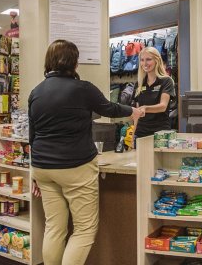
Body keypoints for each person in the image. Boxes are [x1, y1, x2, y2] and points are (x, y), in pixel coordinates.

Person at [28, 39, 143, 265]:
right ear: (74, 62)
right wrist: (133, 111)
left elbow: (32, 135)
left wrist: (34, 171)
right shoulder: (83, 89)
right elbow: (109, 108)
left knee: (54, 227)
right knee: (84, 230)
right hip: (75, 167)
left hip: (42, 168)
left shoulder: (36, 92)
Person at [133, 46, 176, 139]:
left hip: (160, 133)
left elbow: (163, 106)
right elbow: (137, 113)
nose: (145, 63)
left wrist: (145, 108)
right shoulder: (139, 83)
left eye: (148, 59)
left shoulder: (166, 81)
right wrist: (133, 134)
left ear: (157, 60)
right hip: (141, 133)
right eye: (142, 60)